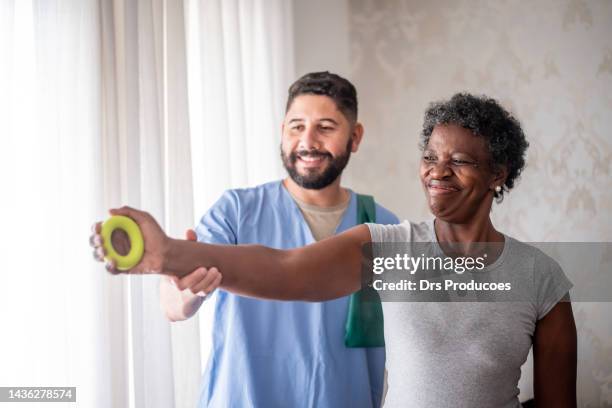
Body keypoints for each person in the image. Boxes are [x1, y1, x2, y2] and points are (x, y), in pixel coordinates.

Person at [91, 93, 577, 407]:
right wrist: (166, 254)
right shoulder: (387, 245)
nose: (437, 171)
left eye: (460, 161)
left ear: (499, 174)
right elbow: (285, 269)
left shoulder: (541, 278)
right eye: (430, 157)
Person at [121, 71, 398, 407]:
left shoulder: (382, 225)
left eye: (325, 127)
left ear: (354, 137)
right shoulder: (236, 211)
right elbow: (172, 302)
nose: (308, 141)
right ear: (282, 132)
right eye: (296, 126)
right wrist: (187, 292)